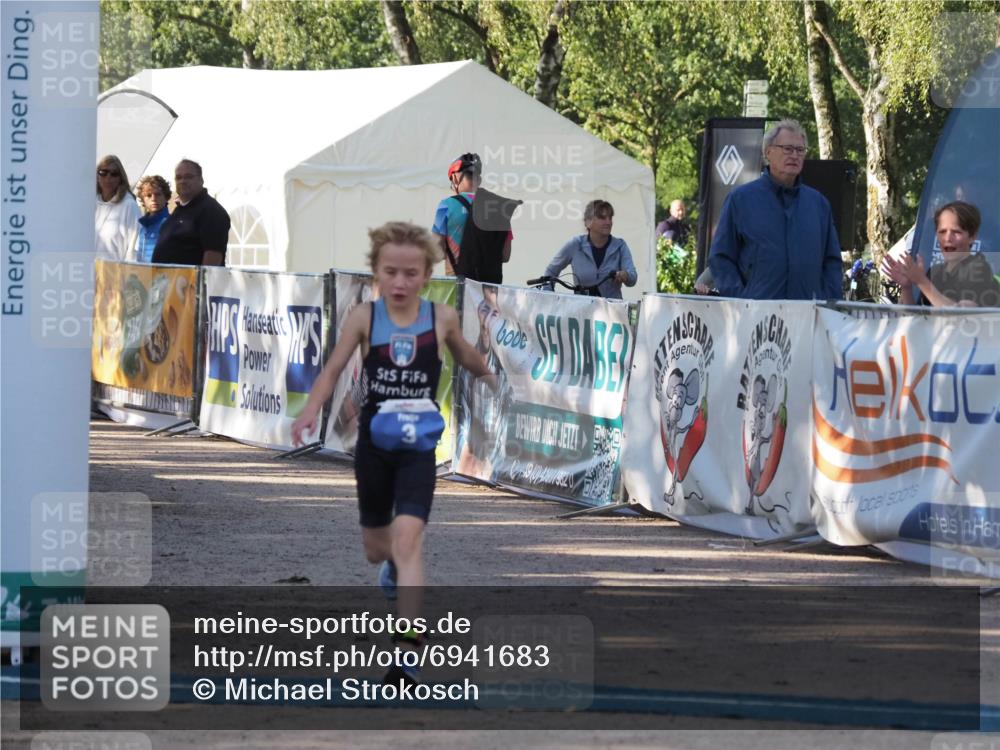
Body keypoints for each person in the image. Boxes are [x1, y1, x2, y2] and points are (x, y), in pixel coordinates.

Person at [291, 221, 494, 686]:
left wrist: (491, 376)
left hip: (419, 446)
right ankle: (391, 568)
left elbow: (465, 355)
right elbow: (334, 368)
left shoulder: (441, 317)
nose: (400, 282)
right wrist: (310, 411)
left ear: (427, 274)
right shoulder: (364, 317)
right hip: (374, 446)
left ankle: (406, 654)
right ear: (376, 274)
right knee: (377, 549)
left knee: (408, 541)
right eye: (391, 272)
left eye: (411, 273)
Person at [708, 119, 843, 300]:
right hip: (757, 317)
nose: (794, 155)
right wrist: (741, 298)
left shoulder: (819, 205)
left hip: (807, 317)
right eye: (787, 149)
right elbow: (721, 258)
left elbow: (831, 262)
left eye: (800, 150)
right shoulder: (740, 200)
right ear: (768, 152)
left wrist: (826, 301)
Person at [882, 201, 1000, 307]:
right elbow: (912, 319)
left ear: (972, 237)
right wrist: (906, 287)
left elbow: (960, 317)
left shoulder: (980, 270)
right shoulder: (936, 271)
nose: (948, 238)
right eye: (942, 232)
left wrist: (921, 281)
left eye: (956, 232)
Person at [432, 153, 512, 278]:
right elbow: (505, 256)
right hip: (488, 288)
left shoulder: (445, 206)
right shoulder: (500, 208)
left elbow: (437, 252)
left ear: (455, 179)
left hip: (458, 284)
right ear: (479, 180)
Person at [542, 199, 637, 299]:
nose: (608, 222)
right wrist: (549, 297)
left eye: (610, 217)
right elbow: (551, 272)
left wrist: (626, 275)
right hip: (581, 310)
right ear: (588, 222)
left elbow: (633, 278)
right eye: (602, 217)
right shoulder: (575, 244)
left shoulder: (620, 246)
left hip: (612, 311)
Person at [152, 159, 230, 266]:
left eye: (188, 177)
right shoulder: (179, 210)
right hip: (164, 280)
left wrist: (201, 282)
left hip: (190, 282)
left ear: (201, 180)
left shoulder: (211, 211)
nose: (183, 181)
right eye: (178, 178)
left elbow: (212, 259)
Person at [94, 155, 140, 262]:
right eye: (103, 173)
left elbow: (134, 247)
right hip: (87, 273)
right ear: (97, 176)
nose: (108, 178)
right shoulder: (90, 203)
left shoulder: (129, 206)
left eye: (114, 174)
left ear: (121, 178)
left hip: (115, 274)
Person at [134, 175, 171, 263]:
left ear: (166, 197)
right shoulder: (143, 226)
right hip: (143, 273)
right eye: (149, 195)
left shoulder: (170, 224)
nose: (154, 199)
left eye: (158, 194)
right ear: (143, 199)